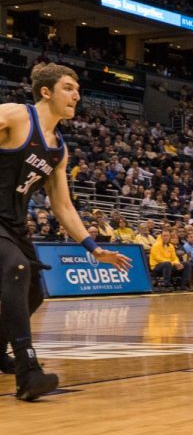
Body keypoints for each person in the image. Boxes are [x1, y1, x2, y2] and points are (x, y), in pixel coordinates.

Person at [0, 63, 131, 401]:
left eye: (77, 90)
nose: (77, 95)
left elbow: (63, 206)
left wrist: (92, 246)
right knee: (17, 269)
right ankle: (29, 373)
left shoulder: (58, 148)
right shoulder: (14, 116)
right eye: (69, 88)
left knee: (34, 294)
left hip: (13, 224)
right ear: (46, 92)